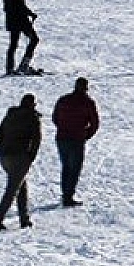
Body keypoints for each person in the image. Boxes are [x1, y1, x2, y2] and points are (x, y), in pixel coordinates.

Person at [0, 93, 41, 231]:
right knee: (12, 191)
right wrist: (30, 157)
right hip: (20, 158)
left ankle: (24, 219)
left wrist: (4, 150)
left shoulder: (10, 115)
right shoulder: (33, 118)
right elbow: (36, 141)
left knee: (21, 186)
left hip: (5, 157)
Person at [52, 78, 99, 207]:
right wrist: (86, 134)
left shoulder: (63, 100)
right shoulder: (88, 102)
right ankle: (68, 196)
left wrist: (62, 127)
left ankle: (65, 193)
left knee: (66, 166)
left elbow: (55, 118)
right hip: (77, 139)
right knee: (75, 168)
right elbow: (94, 123)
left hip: (62, 138)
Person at [3, 0, 39, 75]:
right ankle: (23, 65)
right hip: (20, 21)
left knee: (14, 44)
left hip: (14, 20)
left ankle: (12, 68)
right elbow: (19, 5)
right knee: (33, 39)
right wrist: (30, 13)